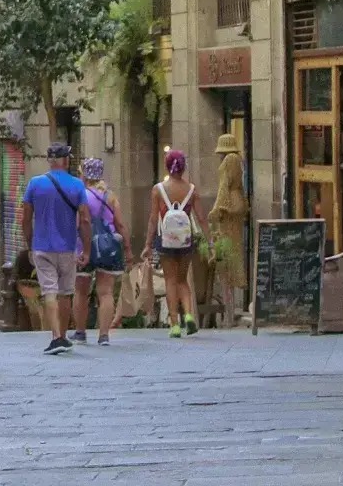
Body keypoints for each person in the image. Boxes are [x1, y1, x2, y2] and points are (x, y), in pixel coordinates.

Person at [20, 143, 92, 355]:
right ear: (66, 160)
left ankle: (56, 336)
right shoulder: (77, 185)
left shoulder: (34, 184)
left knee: (49, 290)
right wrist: (86, 249)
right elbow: (85, 220)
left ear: (50, 160)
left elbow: (25, 218)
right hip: (67, 248)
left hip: (42, 246)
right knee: (66, 292)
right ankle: (62, 334)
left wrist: (30, 243)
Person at [141, 149, 209, 338]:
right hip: (185, 241)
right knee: (183, 280)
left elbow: (153, 218)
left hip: (165, 240)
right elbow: (201, 218)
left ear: (167, 166)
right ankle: (188, 315)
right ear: (184, 167)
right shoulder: (192, 190)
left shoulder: (158, 190)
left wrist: (148, 244)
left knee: (170, 281)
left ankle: (175, 325)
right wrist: (209, 241)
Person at [70, 157, 132, 346]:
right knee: (105, 293)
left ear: (84, 175)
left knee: (80, 291)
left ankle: (80, 332)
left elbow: (77, 224)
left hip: (84, 247)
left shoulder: (80, 196)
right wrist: (128, 249)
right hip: (108, 248)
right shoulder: (110, 197)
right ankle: (104, 335)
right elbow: (120, 224)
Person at [208, 133, 248, 328]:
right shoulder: (238, 161)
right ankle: (232, 311)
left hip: (228, 211)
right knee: (233, 258)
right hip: (237, 206)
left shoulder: (229, 161)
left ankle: (230, 314)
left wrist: (215, 211)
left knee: (225, 262)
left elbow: (224, 188)